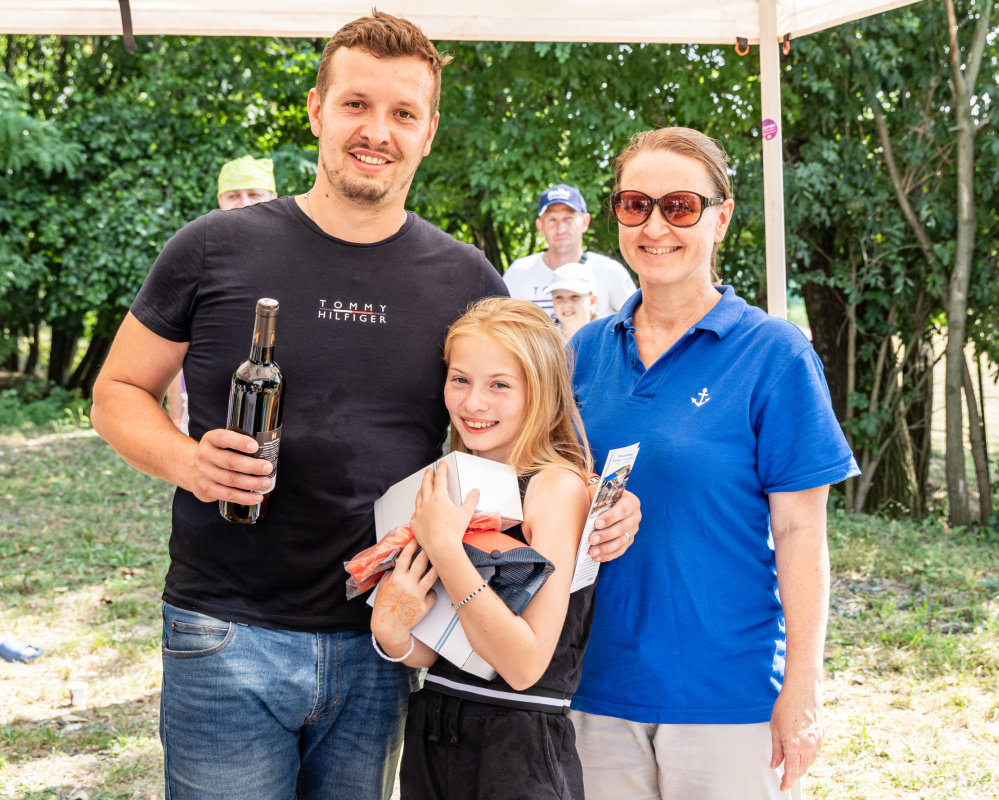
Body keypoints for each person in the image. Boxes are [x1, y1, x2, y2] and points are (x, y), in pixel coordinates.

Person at [90, 12, 637, 800]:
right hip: (226, 631)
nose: (377, 131)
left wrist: (608, 508)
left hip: (389, 636)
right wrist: (188, 461)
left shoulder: (465, 278)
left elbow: (537, 426)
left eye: (403, 112)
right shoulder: (213, 246)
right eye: (356, 104)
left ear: (429, 131)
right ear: (317, 109)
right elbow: (116, 393)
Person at [567, 127, 861, 800]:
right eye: (635, 205)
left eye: (680, 206)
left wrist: (804, 688)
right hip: (593, 685)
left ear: (721, 217)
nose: (655, 226)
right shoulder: (583, 352)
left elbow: (801, 533)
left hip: (726, 694)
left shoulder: (774, 355)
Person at [372, 297, 593, 799]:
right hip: (435, 728)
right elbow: (442, 650)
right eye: (460, 380)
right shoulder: (451, 478)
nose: (473, 403)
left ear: (540, 391)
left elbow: (523, 665)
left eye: (499, 385)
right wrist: (393, 632)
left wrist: (447, 551)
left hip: (519, 744)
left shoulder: (555, 487)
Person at [167, 155, 279, 432]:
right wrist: (177, 420)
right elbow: (174, 351)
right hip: (203, 420)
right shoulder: (199, 256)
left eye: (254, 194)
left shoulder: (288, 258)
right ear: (220, 200)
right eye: (233, 195)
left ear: (274, 198)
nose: (244, 203)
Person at [502, 184, 636, 319]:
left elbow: (637, 320)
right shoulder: (518, 273)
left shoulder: (608, 271)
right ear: (540, 226)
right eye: (552, 219)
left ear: (585, 222)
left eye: (569, 218)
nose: (561, 229)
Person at [546, 262, 597, 343]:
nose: (566, 304)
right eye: (559, 297)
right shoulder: (545, 342)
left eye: (574, 296)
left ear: (592, 301)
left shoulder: (606, 339)